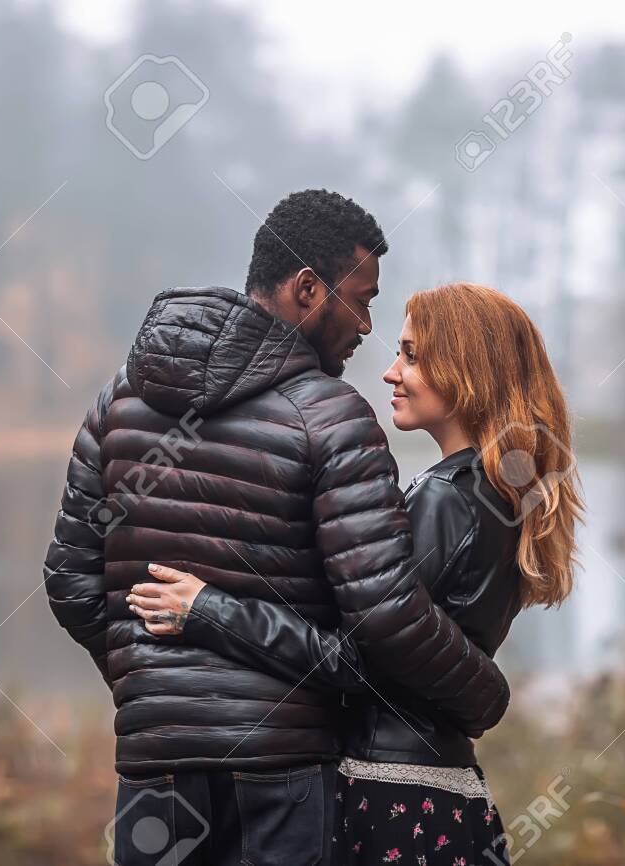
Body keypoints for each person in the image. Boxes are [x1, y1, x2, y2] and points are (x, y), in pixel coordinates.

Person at [43, 191, 509, 866]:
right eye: (362, 301)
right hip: (283, 772)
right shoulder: (333, 417)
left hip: (154, 769)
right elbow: (381, 619)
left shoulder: (118, 401)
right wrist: (484, 693)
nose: (367, 325)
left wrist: (152, 683)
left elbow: (68, 580)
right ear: (308, 289)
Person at [129, 282, 583, 865]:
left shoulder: (448, 498)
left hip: (395, 794)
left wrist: (209, 610)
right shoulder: (498, 496)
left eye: (412, 355)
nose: (392, 372)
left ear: (468, 369)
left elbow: (354, 660)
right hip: (443, 788)